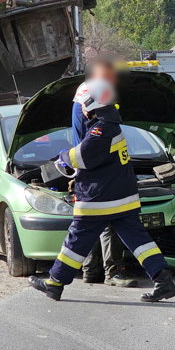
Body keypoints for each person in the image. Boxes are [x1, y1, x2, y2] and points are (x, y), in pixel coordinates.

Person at [29, 76, 175, 302]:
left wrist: (62, 157)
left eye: (81, 105)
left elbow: (83, 156)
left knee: (76, 240)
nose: (79, 109)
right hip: (121, 196)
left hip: (99, 198)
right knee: (138, 240)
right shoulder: (109, 125)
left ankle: (55, 283)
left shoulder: (102, 130)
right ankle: (163, 280)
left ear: (91, 103)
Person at [72, 62, 137, 288]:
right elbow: (92, 139)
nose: (110, 81)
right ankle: (109, 272)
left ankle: (94, 270)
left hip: (89, 167)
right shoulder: (88, 98)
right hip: (93, 169)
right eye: (106, 76)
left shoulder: (92, 95)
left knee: (90, 221)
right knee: (105, 221)